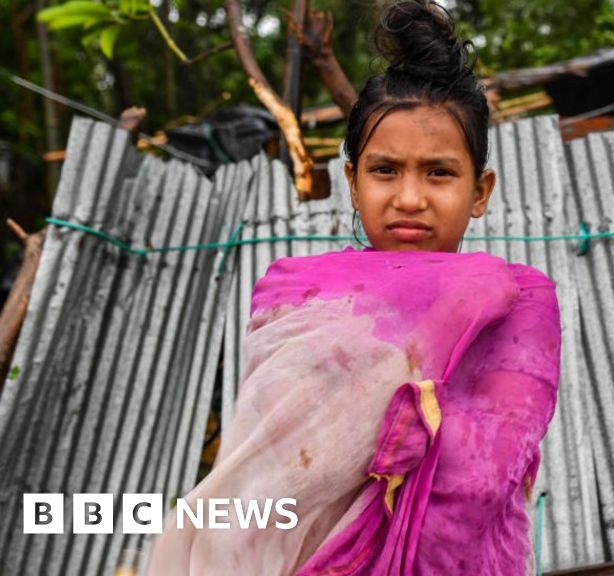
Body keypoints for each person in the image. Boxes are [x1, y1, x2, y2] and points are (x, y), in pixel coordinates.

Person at [142, 1, 562, 574]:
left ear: (480, 189)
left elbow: (483, 479)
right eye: (385, 171)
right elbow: (265, 478)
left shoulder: (513, 304)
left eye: (439, 173)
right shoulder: (298, 297)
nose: (409, 198)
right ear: (353, 182)